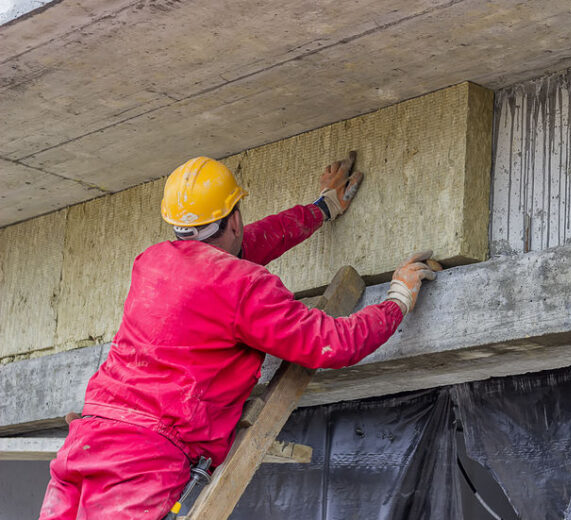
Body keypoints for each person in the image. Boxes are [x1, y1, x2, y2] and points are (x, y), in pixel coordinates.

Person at [38, 154, 437, 520]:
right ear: (234, 218)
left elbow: (240, 250)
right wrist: (398, 298)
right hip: (144, 457)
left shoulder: (152, 262)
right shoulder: (242, 286)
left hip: (87, 439)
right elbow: (332, 343)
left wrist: (321, 209)